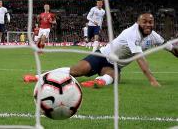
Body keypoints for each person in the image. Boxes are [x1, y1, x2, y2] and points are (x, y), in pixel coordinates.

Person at [23, 13, 178, 88]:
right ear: (138, 23)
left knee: (112, 76)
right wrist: (152, 80)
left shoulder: (155, 36)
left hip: (114, 65)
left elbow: (170, 48)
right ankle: (38, 77)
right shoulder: (133, 33)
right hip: (102, 55)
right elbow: (140, 59)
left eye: (151, 22)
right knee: (76, 71)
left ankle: (96, 82)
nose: (148, 25)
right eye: (144, 22)